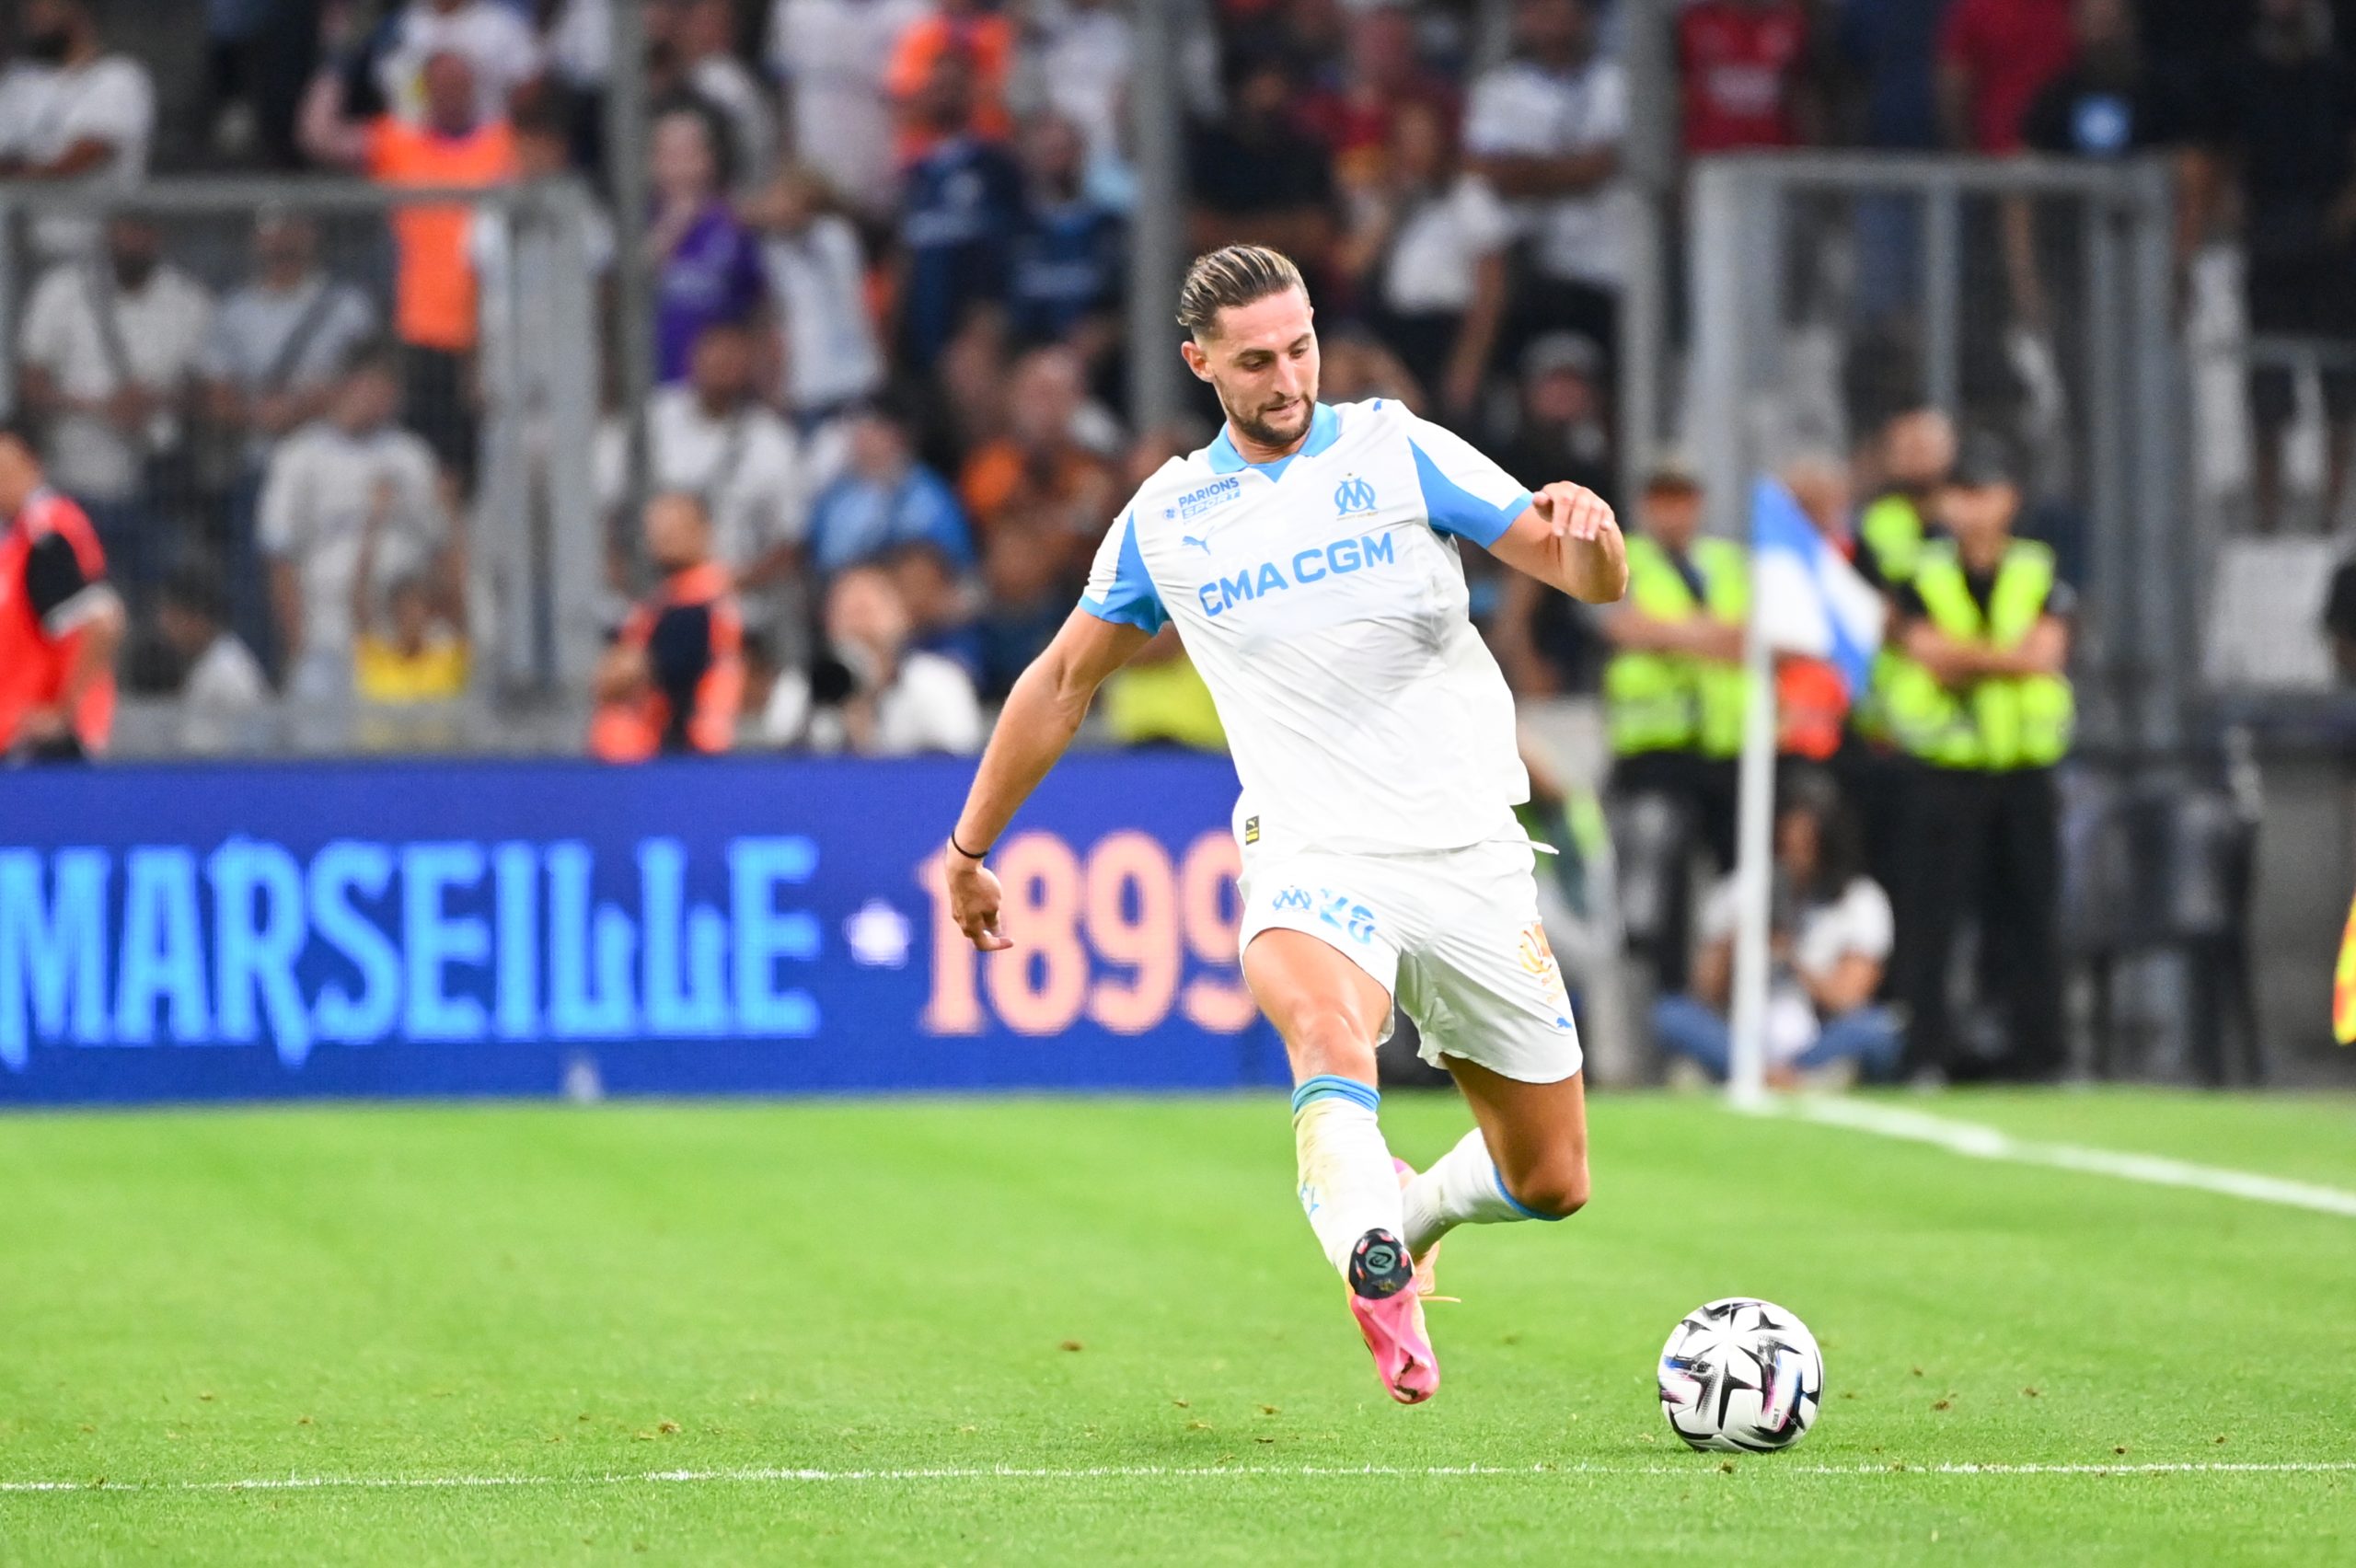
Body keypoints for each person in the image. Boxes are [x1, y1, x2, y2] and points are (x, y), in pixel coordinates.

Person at [941, 245, 1627, 1405]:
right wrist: (968, 849)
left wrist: (1595, 538)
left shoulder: (1399, 448)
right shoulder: (1169, 516)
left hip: (1468, 850)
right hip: (1313, 849)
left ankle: (1405, 1217)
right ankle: (1366, 1256)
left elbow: (1582, 578)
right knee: (1324, 1027)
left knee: (1552, 1178)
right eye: (1255, 361)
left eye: (1300, 347)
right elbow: (1061, 680)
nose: (1287, 378)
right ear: (1199, 364)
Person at [1885, 434, 2073, 1081]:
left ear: (2009, 501)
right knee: (1933, 918)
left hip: (2023, 768)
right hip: (1947, 769)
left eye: (1983, 492)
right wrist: (2005, 658)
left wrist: (1966, 658)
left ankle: (2040, 1054)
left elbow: (2045, 654)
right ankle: (1927, 1054)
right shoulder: (1921, 571)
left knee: (2030, 915)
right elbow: (1924, 650)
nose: (1971, 508)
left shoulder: (2038, 568)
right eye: (1961, 493)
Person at [301, 49, 517, 479]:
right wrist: (341, 59)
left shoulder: (502, 144)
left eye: (459, 84)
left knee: (497, 456)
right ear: (425, 91)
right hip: (424, 326)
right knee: (436, 460)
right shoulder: (400, 143)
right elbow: (318, 136)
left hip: (493, 329)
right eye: (440, 85)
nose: (450, 94)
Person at [2200, 0, 2356, 532]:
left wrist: (2344, 212)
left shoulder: (2337, 74)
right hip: (2267, 244)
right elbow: (2222, 154)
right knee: (2268, 389)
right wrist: (2231, 210)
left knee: (2339, 385)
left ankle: (2333, 512)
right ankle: (2267, 514)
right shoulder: (2241, 75)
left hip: (2334, 248)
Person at [1599, 460, 1746, 995]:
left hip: (1725, 748)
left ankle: (1725, 998)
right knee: (1654, 897)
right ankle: (1665, 1004)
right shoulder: (1621, 558)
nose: (1673, 512)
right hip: (1653, 752)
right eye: (1662, 500)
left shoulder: (1728, 563)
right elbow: (1624, 627)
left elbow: (1752, 637)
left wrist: (1671, 633)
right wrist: (1708, 635)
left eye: (1682, 499)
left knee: (1737, 886)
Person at [15, 214, 214, 586]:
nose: (134, 240)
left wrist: (152, 402)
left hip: (156, 485)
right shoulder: (64, 291)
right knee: (74, 599)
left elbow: (210, 393)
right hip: (73, 479)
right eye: (126, 228)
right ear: (109, 232)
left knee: (157, 596)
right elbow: (30, 385)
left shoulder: (188, 299)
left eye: (144, 229)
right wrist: (101, 406)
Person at [1654, 787, 1902, 1086]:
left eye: (1806, 846)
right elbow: (1704, 992)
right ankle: (1768, 1075)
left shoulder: (1860, 901)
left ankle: (1790, 1074)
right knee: (1670, 1015)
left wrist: (1792, 959)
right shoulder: (1743, 890)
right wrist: (1737, 941)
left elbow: (1848, 999)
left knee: (1877, 1029)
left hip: (1817, 1035)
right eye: (1786, 845)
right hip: (1743, 1034)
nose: (1794, 858)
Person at [258, 345, 447, 702]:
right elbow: (279, 558)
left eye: (388, 389)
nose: (379, 399)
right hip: (328, 629)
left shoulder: (412, 456)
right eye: (370, 385)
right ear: (344, 385)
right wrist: (298, 645)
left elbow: (441, 548)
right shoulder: (299, 456)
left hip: (401, 635)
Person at [1464, 0, 1628, 375]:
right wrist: (1574, 170)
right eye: (1542, 12)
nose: (1554, 24)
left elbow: (1607, 164)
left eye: (1565, 12)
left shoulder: (1615, 82)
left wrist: (1533, 172)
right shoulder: (1499, 90)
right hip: (1530, 273)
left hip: (1606, 269)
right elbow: (1497, 174)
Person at [596, 322, 809, 603]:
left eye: (731, 359)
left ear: (748, 366)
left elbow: (793, 540)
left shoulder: (771, 440)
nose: (720, 366)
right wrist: (619, 573)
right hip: (641, 593)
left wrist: (732, 583)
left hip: (732, 598)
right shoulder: (651, 418)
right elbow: (598, 503)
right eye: (713, 356)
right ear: (692, 359)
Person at [1339, 97, 1512, 421]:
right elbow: (1352, 266)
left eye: (1424, 139)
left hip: (1449, 330)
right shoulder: (1385, 198)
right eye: (1406, 139)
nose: (1415, 150)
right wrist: (1392, 207)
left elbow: (1491, 289)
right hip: (1393, 331)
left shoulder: (1468, 195)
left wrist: (1468, 363)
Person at [0, 419, 123, 762]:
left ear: (33, 465)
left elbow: (104, 622)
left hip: (45, 746)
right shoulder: (23, 535)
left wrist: (62, 713)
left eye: (4, 470)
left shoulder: (45, 536)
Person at [589, 492, 745, 762]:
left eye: (675, 526)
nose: (664, 536)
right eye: (657, 528)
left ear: (703, 530)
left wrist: (622, 670)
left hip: (681, 752)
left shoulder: (700, 605)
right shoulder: (667, 600)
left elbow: (627, 674)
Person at [0, 0, 156, 260]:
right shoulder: (25, 84)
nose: (34, 22)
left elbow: (87, 153)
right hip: (23, 253)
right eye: (31, 13)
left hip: (93, 252)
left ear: (80, 12)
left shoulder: (119, 76)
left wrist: (21, 171)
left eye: (46, 10)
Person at [779, 564, 986, 755]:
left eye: (870, 609)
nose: (860, 624)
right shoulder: (800, 686)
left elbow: (961, 760)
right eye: (848, 611)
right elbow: (776, 762)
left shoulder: (941, 682)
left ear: (902, 617)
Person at [764, 0, 930, 223]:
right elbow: (781, 98)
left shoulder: (915, 12)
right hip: (813, 180)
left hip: (887, 180)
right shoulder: (797, 9)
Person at [750, 165, 886, 428]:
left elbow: (785, 216)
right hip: (805, 386)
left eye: (785, 197)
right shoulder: (771, 250)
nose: (776, 205)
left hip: (857, 378)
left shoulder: (835, 235)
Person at [644, 106, 768, 386]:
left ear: (708, 159)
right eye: (669, 154)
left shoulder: (731, 226)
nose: (679, 165)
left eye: (688, 153)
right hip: (653, 384)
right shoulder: (637, 222)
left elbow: (756, 308)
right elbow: (625, 291)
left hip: (716, 388)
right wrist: (674, 224)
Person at [804, 404, 974, 579]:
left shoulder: (928, 494)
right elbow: (823, 559)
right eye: (861, 430)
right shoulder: (837, 496)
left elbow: (957, 556)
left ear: (896, 436)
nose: (864, 440)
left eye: (875, 430)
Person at [155, 565, 270, 755]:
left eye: (174, 617)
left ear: (198, 619)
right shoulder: (209, 660)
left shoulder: (228, 671)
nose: (166, 626)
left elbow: (249, 748)